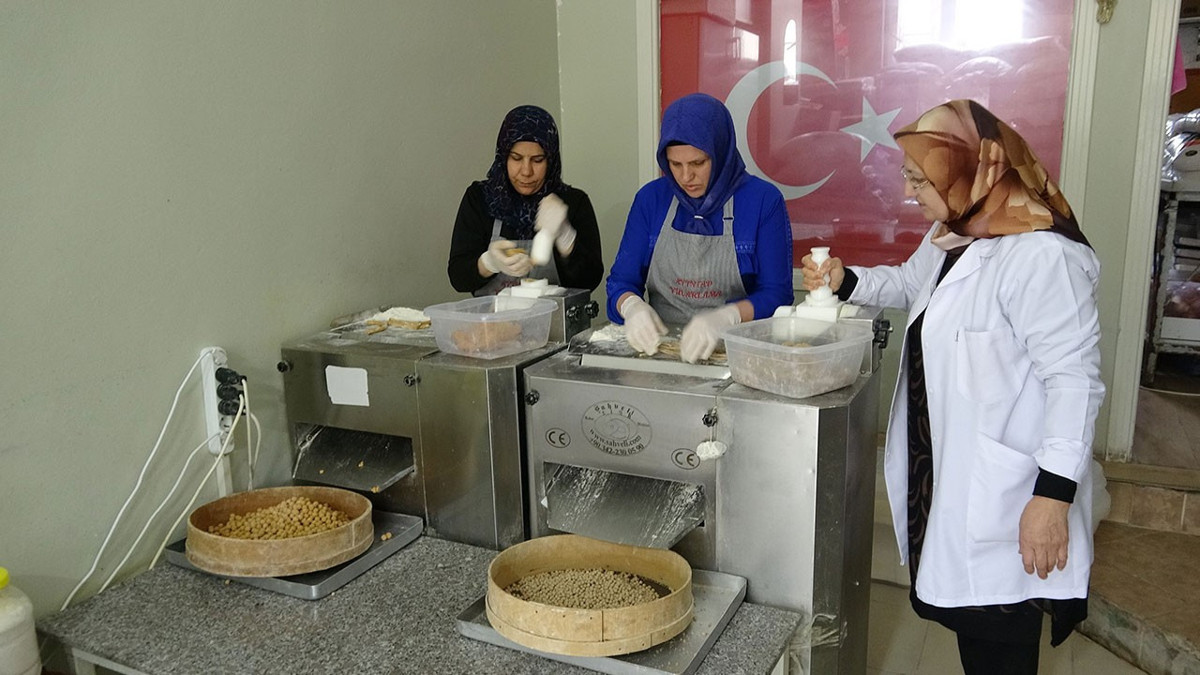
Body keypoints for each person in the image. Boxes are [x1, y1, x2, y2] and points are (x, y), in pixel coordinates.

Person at [801, 100, 1104, 674]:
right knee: (976, 634)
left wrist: (1054, 496)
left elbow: (1074, 382)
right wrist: (848, 281)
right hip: (948, 469)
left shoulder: (1041, 256)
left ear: (966, 171)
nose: (908, 192)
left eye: (918, 179)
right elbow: (909, 286)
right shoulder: (954, 232)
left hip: (1011, 492)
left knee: (1002, 640)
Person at [606, 93, 793, 363]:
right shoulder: (651, 200)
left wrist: (726, 317)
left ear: (721, 153)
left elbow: (777, 294)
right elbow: (620, 282)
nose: (685, 177)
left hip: (738, 358)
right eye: (674, 164)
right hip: (662, 354)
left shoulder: (763, 201)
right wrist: (631, 307)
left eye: (698, 163)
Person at [448, 105, 603, 296]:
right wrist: (488, 263)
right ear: (503, 157)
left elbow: (591, 281)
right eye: (516, 158)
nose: (526, 171)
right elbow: (458, 277)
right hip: (494, 323)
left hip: (554, 322)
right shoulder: (480, 199)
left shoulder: (574, 203)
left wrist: (566, 237)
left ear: (551, 160)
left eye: (537, 160)